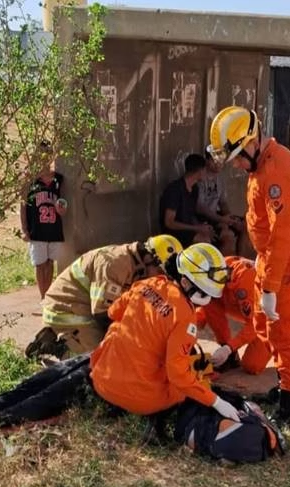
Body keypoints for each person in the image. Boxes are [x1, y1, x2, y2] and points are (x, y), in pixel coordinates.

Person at [208, 105, 290, 427]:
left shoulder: (275, 172)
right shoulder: (264, 165)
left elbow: (282, 234)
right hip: (273, 263)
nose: (238, 165)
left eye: (240, 157)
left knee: (285, 336)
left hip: (288, 267)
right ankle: (286, 386)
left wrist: (270, 286)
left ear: (253, 141)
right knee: (265, 328)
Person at [90, 243, 241, 438]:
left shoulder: (146, 284)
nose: (206, 300)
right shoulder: (184, 316)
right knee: (184, 385)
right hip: (140, 400)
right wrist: (216, 402)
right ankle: (155, 423)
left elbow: (113, 312)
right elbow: (178, 376)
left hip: (102, 379)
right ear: (186, 283)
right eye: (204, 293)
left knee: (118, 330)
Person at [24, 235, 184, 360]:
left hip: (85, 307)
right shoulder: (115, 264)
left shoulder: (138, 266)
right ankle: (58, 347)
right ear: (150, 259)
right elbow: (102, 314)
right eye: (162, 273)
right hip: (66, 310)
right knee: (99, 359)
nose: (163, 280)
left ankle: (65, 336)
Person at [195, 256, 274, 376]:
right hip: (247, 308)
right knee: (210, 301)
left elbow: (255, 323)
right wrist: (192, 323)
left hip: (270, 315)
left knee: (252, 365)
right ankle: (230, 356)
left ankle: (281, 340)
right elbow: (206, 303)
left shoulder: (244, 284)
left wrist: (229, 347)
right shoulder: (218, 269)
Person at [20, 144, 68, 301]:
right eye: (40, 155)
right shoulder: (30, 180)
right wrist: (24, 229)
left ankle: (48, 296)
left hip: (53, 227)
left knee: (50, 263)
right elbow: (23, 204)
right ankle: (43, 298)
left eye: (47, 155)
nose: (44, 158)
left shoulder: (58, 179)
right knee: (40, 264)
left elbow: (63, 201)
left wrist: (62, 209)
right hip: (37, 227)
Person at [159, 153, 214, 249]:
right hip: (174, 233)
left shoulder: (194, 189)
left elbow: (191, 215)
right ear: (200, 171)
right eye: (205, 169)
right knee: (204, 240)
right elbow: (169, 222)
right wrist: (196, 228)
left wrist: (201, 227)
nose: (206, 173)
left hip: (189, 230)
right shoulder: (175, 189)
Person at [196, 155, 245, 256]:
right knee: (228, 236)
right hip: (202, 219)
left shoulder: (219, 179)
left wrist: (230, 219)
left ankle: (240, 261)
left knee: (244, 225)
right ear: (207, 161)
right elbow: (200, 208)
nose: (219, 163)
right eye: (215, 160)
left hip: (216, 217)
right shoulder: (199, 179)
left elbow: (223, 203)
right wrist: (221, 220)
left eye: (221, 161)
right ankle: (224, 267)